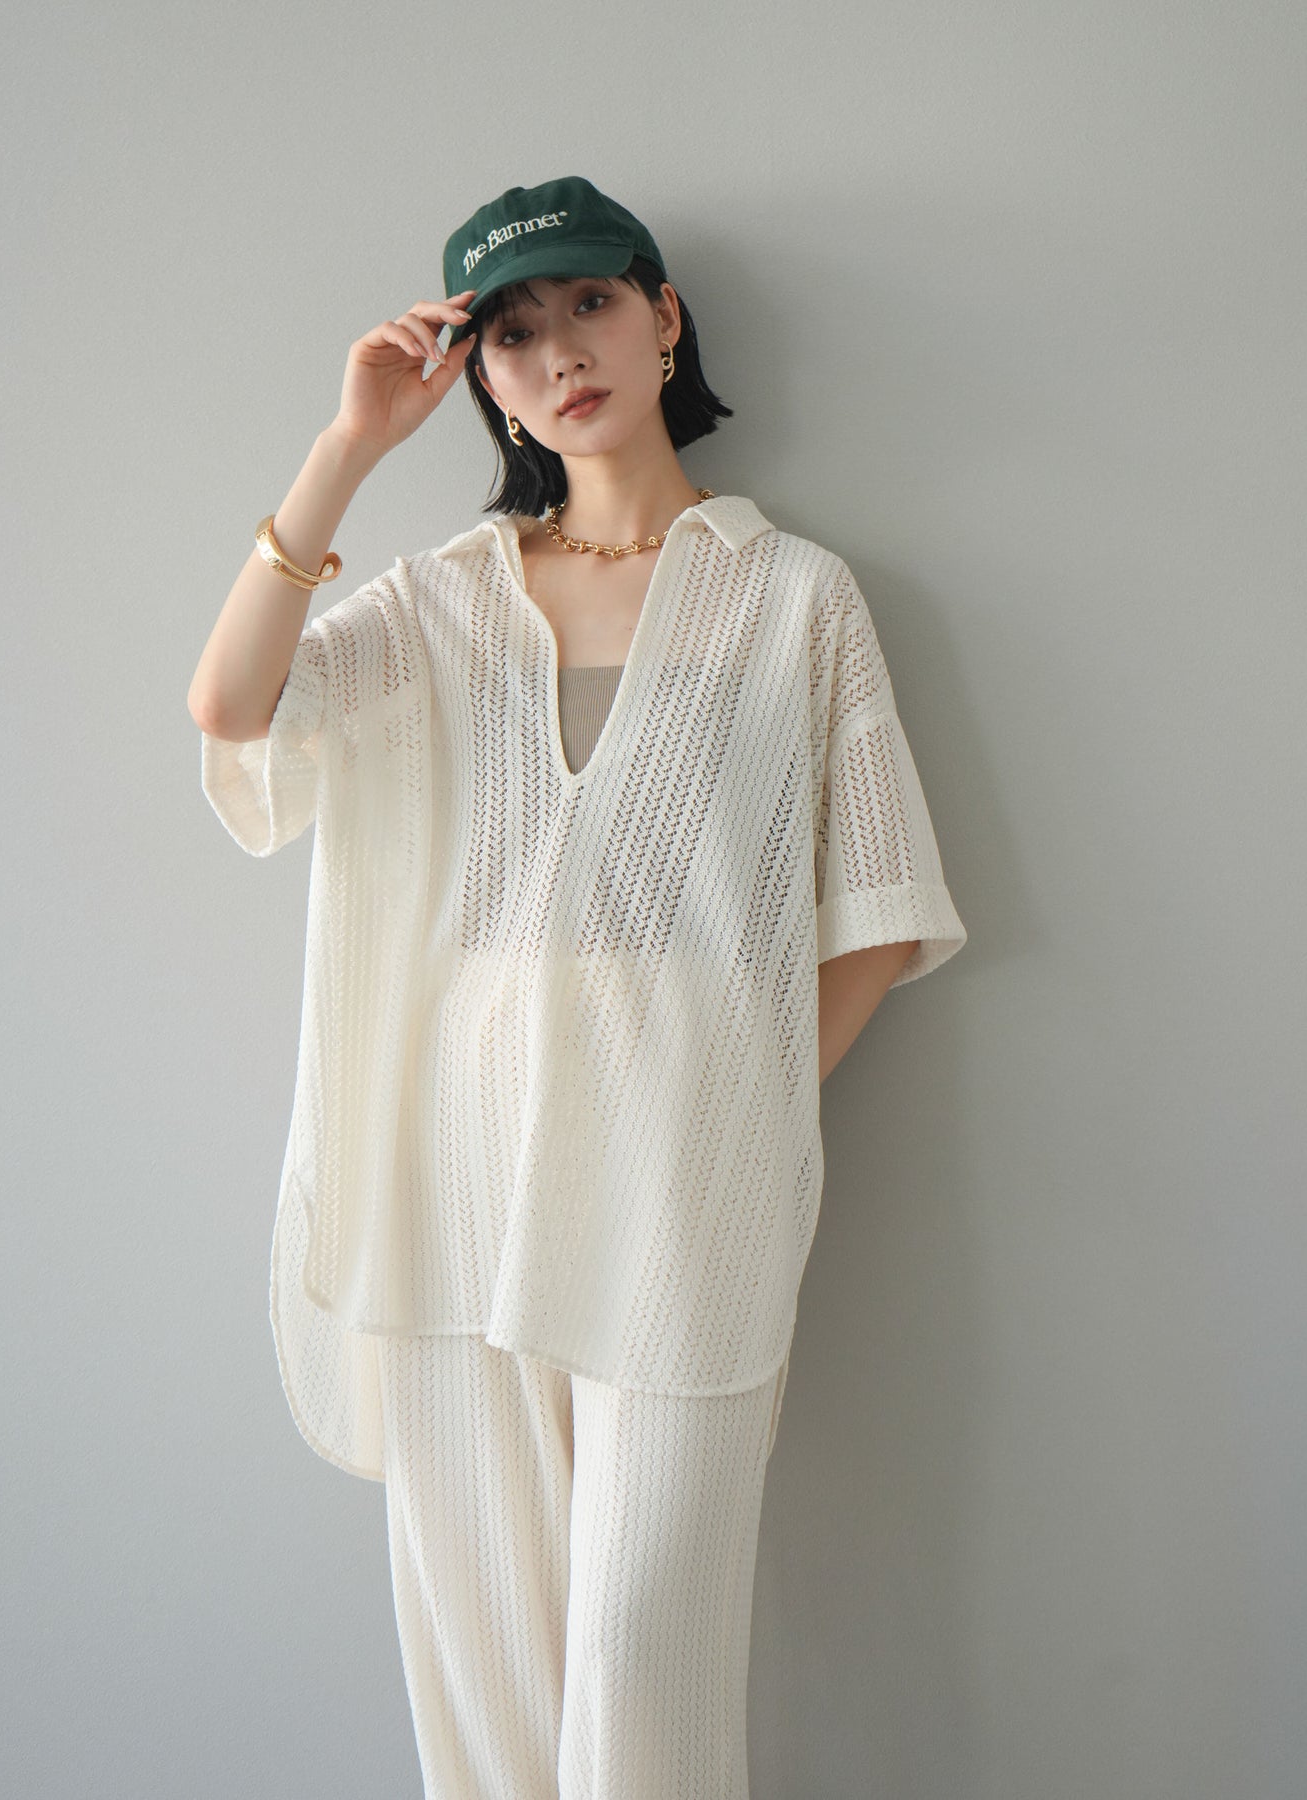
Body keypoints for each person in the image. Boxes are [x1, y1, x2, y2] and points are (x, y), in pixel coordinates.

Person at [188, 175, 967, 1800]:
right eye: (511, 333)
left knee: (635, 1649)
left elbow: (881, 912)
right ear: (477, 374)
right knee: (485, 1655)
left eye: (590, 306)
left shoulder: (791, 594)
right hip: (452, 1170)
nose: (558, 355)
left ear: (663, 317)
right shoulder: (445, 600)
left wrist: (731, 1106)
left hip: (685, 1180)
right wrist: (348, 449)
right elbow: (234, 708)